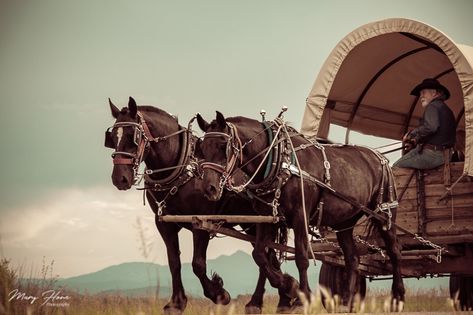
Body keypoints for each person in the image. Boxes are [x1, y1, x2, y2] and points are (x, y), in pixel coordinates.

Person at [393, 78, 456, 169]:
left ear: (434, 93)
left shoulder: (432, 106)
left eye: (423, 93)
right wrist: (416, 140)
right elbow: (437, 133)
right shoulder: (446, 109)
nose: (421, 96)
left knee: (396, 168)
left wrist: (412, 133)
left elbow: (431, 127)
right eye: (420, 94)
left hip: (433, 155)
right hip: (444, 154)